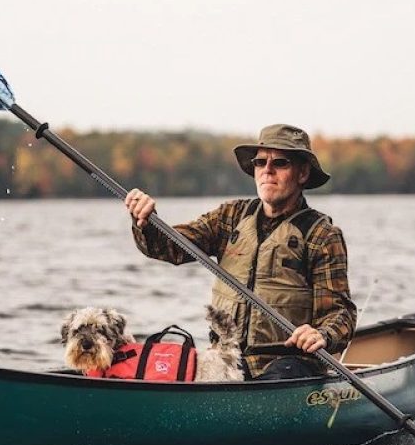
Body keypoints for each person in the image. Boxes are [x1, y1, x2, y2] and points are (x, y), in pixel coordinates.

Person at [124, 123, 357, 380]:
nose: (267, 170)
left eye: (280, 163)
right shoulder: (230, 216)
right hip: (227, 359)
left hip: (288, 364)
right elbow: (169, 248)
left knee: (280, 375)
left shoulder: (322, 235)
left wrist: (321, 335)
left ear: (302, 173)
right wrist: (145, 222)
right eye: (260, 162)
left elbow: (341, 314)